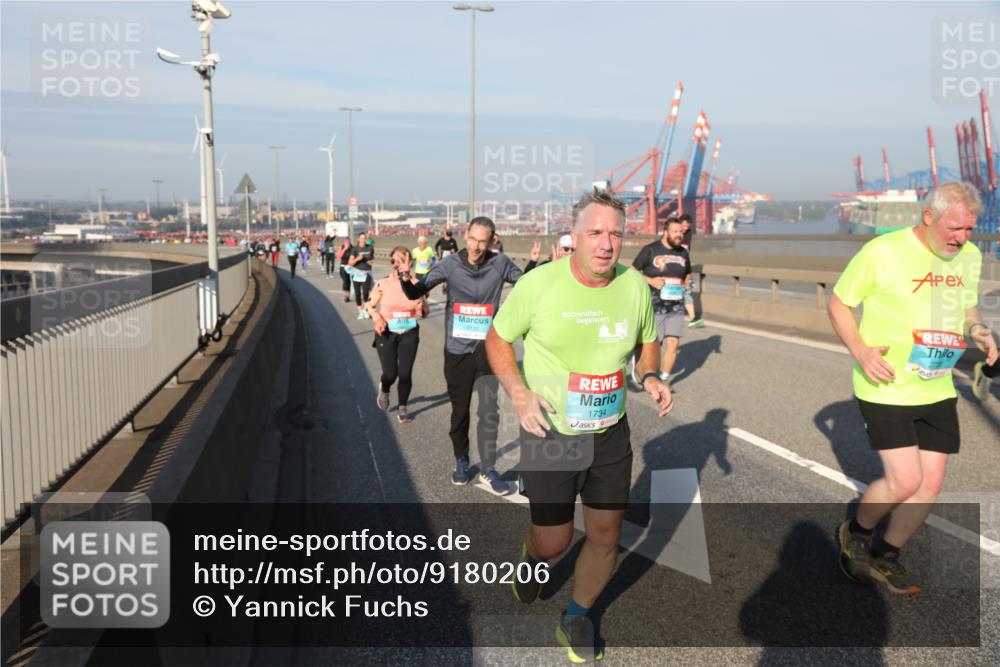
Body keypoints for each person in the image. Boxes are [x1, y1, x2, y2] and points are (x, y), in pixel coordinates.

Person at [485, 188, 673, 663]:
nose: (606, 244)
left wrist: (648, 374)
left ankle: (577, 614)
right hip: (551, 430)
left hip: (611, 430)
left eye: (615, 233)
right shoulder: (540, 285)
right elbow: (498, 338)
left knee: (607, 535)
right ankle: (532, 560)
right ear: (575, 236)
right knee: (555, 540)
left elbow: (648, 340)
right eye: (595, 232)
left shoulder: (633, 286)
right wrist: (520, 393)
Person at [829, 181, 997, 595]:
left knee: (931, 483)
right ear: (928, 217)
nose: (962, 238)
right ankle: (857, 531)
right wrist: (861, 350)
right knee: (904, 480)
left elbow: (964, 305)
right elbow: (839, 302)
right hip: (885, 382)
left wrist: (977, 329)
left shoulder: (969, 256)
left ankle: (888, 555)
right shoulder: (882, 252)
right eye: (954, 229)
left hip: (935, 384)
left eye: (969, 229)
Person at [397, 218, 540, 493]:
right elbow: (417, 290)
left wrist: (533, 264)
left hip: (489, 351)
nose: (476, 246)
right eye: (472, 239)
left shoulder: (499, 263)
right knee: (459, 410)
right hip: (457, 351)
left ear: (492, 241)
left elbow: (526, 285)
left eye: (482, 241)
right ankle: (461, 460)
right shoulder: (450, 264)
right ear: (466, 237)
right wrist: (406, 277)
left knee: (489, 412)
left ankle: (488, 467)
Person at [365, 246, 429, 424]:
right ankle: (385, 387)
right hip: (386, 333)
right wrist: (377, 317)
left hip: (409, 332)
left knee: (406, 373)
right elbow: (369, 306)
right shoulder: (382, 283)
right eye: (393, 261)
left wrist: (421, 308)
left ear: (409, 263)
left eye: (401, 260)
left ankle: (403, 406)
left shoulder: (417, 285)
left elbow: (425, 312)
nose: (396, 264)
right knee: (390, 373)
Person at [631, 217, 690, 384]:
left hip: (676, 306)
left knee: (673, 344)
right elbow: (632, 271)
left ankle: (662, 380)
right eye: (676, 231)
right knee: (655, 344)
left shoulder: (683, 253)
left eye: (681, 232)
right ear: (666, 232)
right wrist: (651, 281)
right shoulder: (650, 250)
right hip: (654, 306)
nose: (680, 235)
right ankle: (646, 369)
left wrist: (687, 283)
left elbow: (688, 273)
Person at [348, 232, 375, 319]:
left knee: (366, 292)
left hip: (366, 272)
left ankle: (365, 310)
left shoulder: (370, 247)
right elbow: (350, 263)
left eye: (364, 238)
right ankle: (360, 311)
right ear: (358, 239)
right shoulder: (355, 249)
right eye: (362, 238)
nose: (363, 240)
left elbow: (371, 259)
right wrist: (357, 259)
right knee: (358, 293)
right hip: (356, 273)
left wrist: (370, 261)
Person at [337, 237, 353, 302]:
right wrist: (344, 249)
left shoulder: (352, 248)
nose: (347, 243)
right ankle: (345, 296)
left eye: (348, 242)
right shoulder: (342, 247)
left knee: (348, 282)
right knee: (345, 281)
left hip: (350, 267)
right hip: (343, 267)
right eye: (346, 242)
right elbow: (338, 257)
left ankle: (347, 296)